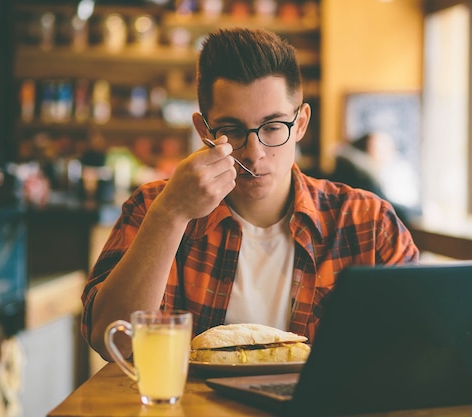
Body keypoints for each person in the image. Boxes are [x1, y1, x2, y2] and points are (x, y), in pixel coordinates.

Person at [81, 27, 419, 361]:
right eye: (232, 130)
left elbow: (420, 347)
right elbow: (112, 343)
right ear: (204, 132)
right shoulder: (155, 207)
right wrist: (170, 216)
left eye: (273, 127)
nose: (254, 153)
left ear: (300, 124)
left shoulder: (368, 222)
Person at [330, 131, 421, 225]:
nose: (390, 155)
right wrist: (418, 211)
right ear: (370, 148)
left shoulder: (347, 169)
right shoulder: (361, 176)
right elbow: (387, 209)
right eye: (384, 148)